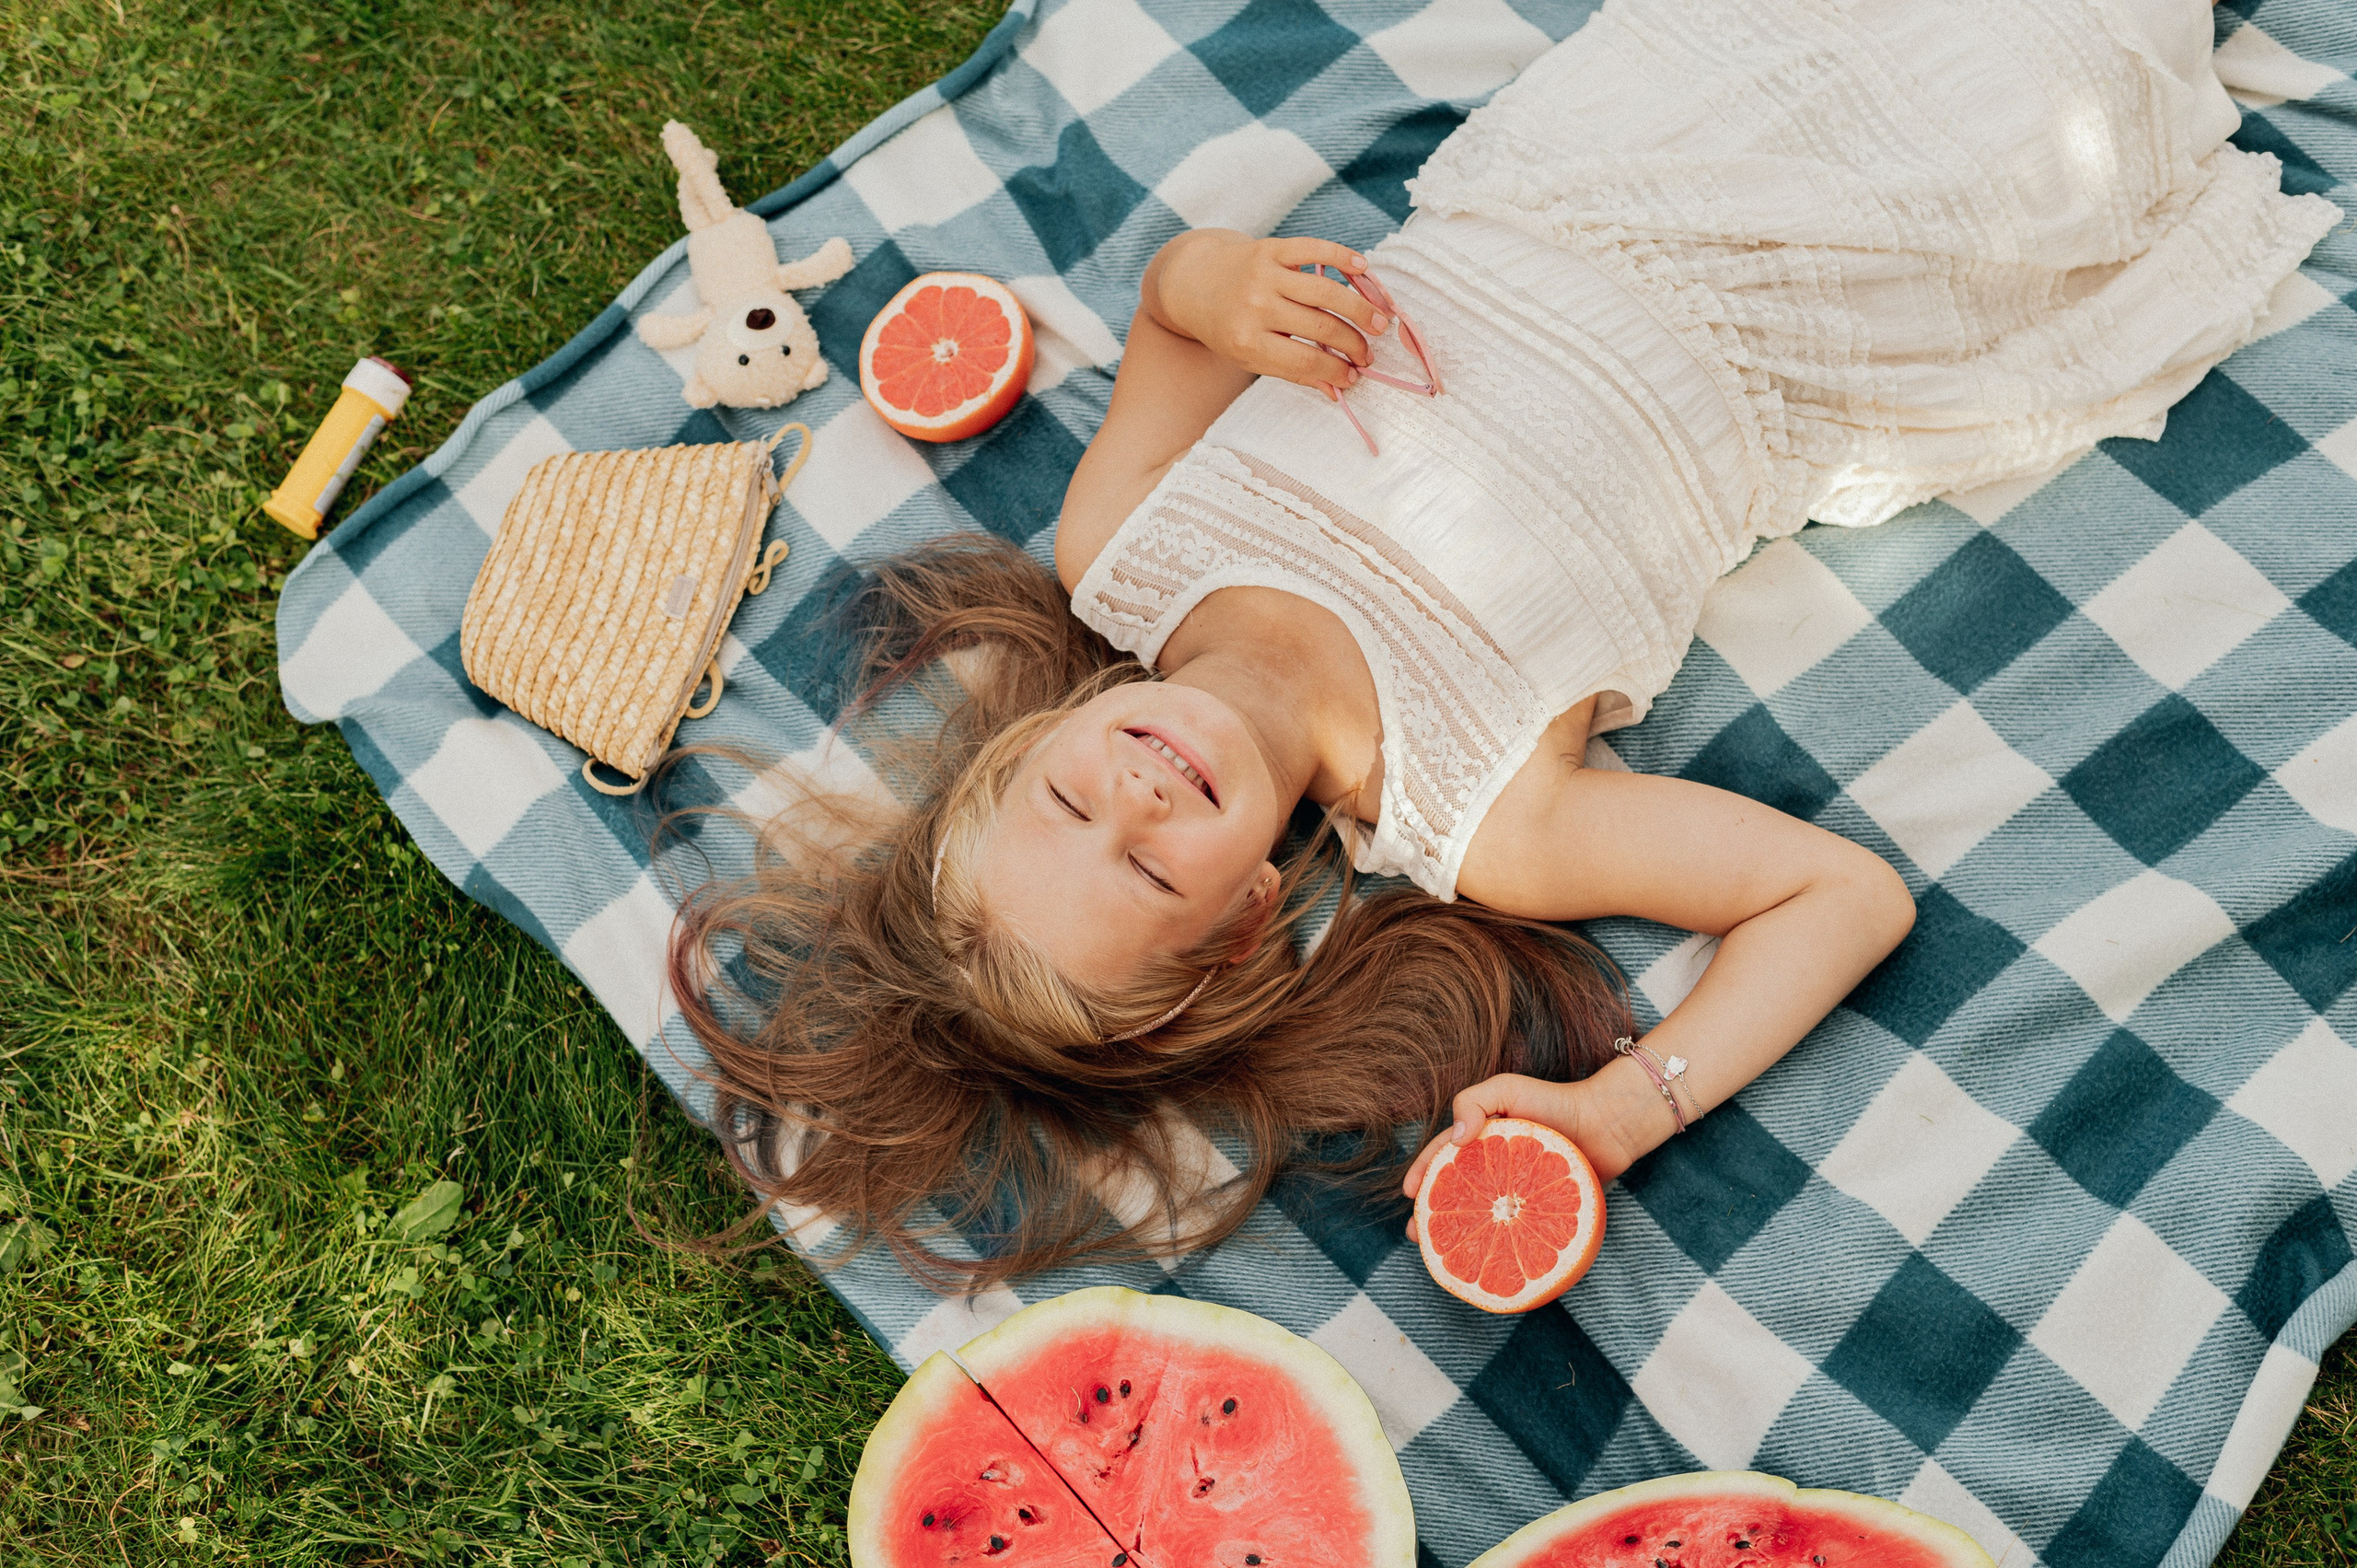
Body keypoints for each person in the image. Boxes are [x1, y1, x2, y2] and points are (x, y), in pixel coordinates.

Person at [671, 0, 2336, 1286]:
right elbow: (1844, 897)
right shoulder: (1487, 815)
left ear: (1019, 749)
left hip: (1606, 159)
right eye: (1153, 869)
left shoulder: (1123, 558)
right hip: (1831, 283)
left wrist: (1222, 281)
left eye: (1062, 805)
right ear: (1251, 918)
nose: (1137, 797)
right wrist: (1624, 1108)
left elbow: (1180, 310)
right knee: (2078, 57)